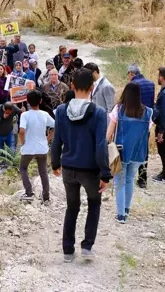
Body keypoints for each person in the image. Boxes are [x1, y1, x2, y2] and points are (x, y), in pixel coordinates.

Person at [51, 68, 111, 261]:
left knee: (72, 207)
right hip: (90, 171)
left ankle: (68, 250)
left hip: (68, 168)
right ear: (92, 87)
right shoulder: (99, 113)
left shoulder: (61, 111)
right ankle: (87, 247)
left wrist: (54, 163)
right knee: (94, 204)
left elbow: (56, 141)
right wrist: (105, 174)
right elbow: (101, 145)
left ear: (72, 86)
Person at [106, 83, 153, 224]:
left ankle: (120, 215)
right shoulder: (148, 112)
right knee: (130, 179)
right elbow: (147, 133)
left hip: (118, 152)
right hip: (139, 152)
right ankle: (126, 210)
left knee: (119, 181)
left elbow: (109, 134)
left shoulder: (118, 109)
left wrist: (102, 147)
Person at [19, 90, 55, 203]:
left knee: (23, 168)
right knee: (43, 172)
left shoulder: (25, 115)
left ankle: (29, 192)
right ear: (40, 101)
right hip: (42, 147)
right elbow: (55, 125)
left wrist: (22, 141)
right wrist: (49, 138)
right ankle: (46, 197)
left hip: (29, 147)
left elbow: (21, 131)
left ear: (27, 101)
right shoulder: (44, 114)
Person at [127, 63, 155, 188]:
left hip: (133, 121)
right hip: (146, 122)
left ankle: (128, 174)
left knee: (130, 148)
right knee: (144, 149)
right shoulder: (151, 84)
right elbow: (151, 105)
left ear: (131, 73)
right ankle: (143, 178)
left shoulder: (132, 85)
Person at [0, 102, 23, 171]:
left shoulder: (14, 108)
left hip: (9, 133)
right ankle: (3, 167)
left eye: (10, 113)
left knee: (11, 150)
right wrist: (3, 117)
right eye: (7, 113)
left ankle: (12, 165)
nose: (9, 114)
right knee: (0, 151)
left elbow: (21, 113)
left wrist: (22, 111)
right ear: (4, 109)